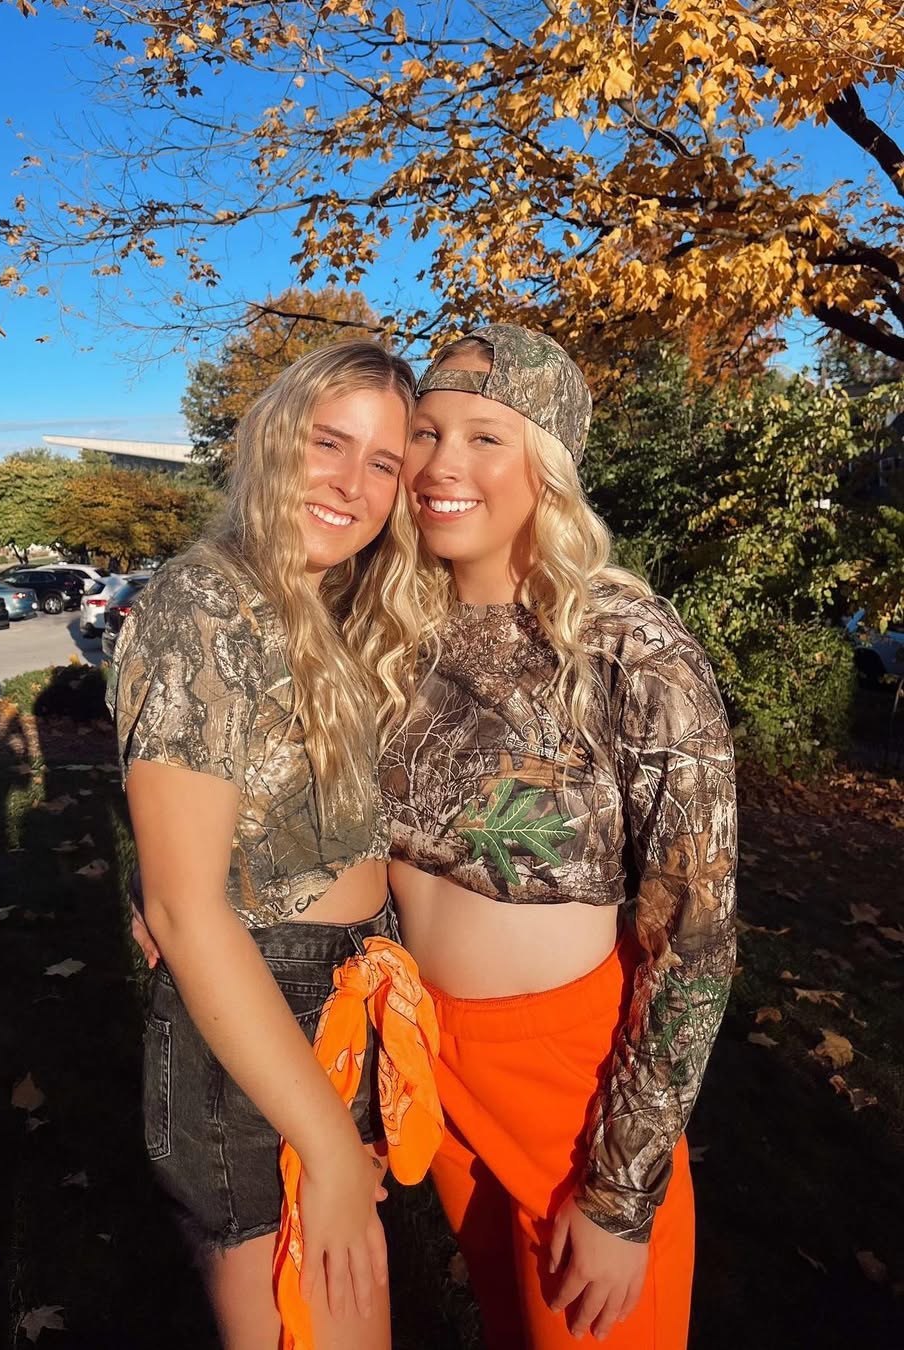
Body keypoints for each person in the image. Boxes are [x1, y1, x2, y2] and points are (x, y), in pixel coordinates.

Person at [364, 325, 738, 1348]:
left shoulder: (630, 647)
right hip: (427, 1052)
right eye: (427, 432)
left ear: (549, 465)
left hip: (566, 1086)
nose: (440, 464)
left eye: (486, 437)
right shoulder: (391, 627)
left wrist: (621, 1193)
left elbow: (696, 933)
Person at [109, 340, 424, 1350]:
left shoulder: (316, 604)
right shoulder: (204, 607)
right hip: (259, 1011)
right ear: (274, 439)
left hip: (332, 995)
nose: (352, 483)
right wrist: (327, 1147)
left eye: (383, 461)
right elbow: (185, 908)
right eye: (329, 443)